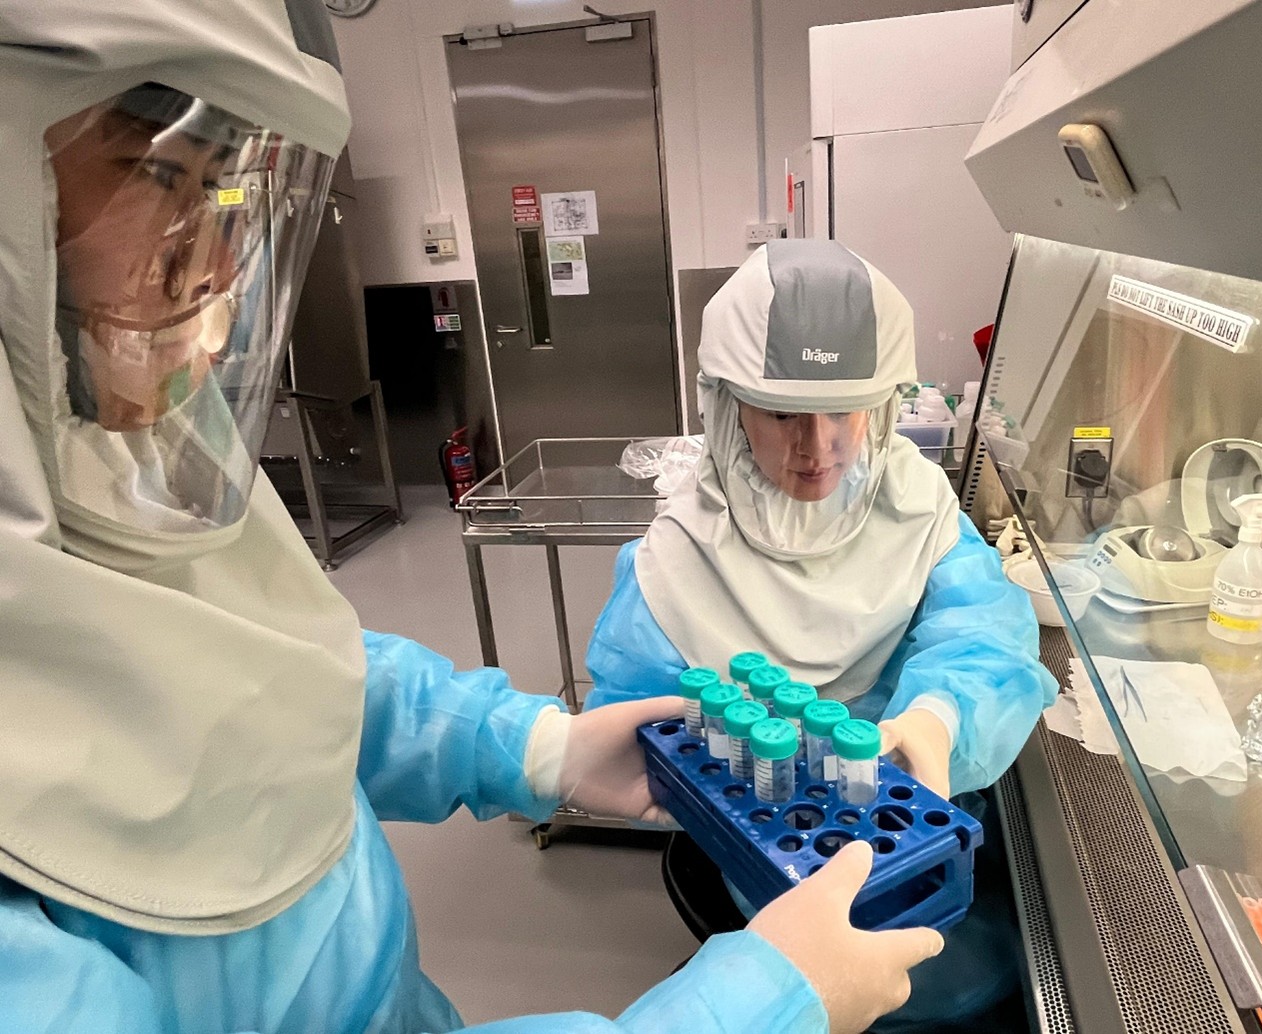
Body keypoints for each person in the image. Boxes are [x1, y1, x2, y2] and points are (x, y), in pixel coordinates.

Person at [0, 3, 945, 1031]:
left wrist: (530, 746)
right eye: (158, 175)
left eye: (227, 194)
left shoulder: (103, 467)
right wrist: (753, 1007)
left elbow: (269, 676)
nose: (217, 266)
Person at [585, 239, 1058, 1029]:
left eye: (847, 409)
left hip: (917, 813)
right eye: (782, 415)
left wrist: (939, 718)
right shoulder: (677, 553)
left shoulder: (915, 502)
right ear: (724, 404)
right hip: (776, 836)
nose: (820, 447)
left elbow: (982, 631)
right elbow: (644, 723)